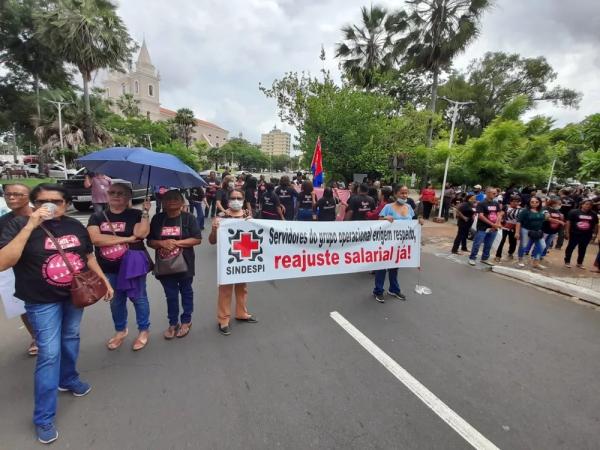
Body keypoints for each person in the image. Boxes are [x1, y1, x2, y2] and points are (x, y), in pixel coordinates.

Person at [0, 183, 113, 445]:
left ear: (66, 204)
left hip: (73, 296)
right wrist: (30, 225)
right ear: (34, 203)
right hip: (41, 302)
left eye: (56, 201)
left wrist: (104, 281)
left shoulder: (74, 226)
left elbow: (87, 256)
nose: (48, 206)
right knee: (49, 354)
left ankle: (69, 378)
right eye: (41, 201)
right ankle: (43, 418)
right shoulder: (19, 226)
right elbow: (4, 261)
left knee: (71, 338)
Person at [87, 183, 152, 351]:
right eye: (112, 192)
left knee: (139, 298)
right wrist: (126, 239)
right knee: (116, 301)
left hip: (133, 265)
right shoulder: (97, 217)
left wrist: (146, 211)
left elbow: (141, 234)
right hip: (108, 267)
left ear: (129, 197)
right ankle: (120, 330)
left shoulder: (136, 214)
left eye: (121, 193)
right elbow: (95, 239)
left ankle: (144, 330)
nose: (116, 195)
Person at [148, 190, 202, 339]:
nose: (171, 201)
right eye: (167, 198)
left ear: (181, 202)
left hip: (185, 263)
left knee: (186, 291)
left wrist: (176, 243)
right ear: (163, 202)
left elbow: (197, 239)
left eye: (175, 198)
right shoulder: (158, 219)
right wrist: (161, 243)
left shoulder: (189, 218)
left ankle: (186, 320)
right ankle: (173, 323)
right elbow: (150, 242)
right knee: (170, 295)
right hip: (164, 265)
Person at [209, 189, 258, 336]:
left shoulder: (248, 216)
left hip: (244, 258)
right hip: (227, 259)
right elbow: (212, 241)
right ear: (228, 200)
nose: (236, 200)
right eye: (233, 197)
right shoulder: (221, 217)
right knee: (225, 290)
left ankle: (242, 313)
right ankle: (223, 320)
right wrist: (214, 230)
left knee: (242, 288)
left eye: (239, 197)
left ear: (243, 199)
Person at [0, 183, 37, 355]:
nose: (12, 198)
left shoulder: (40, 214)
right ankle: (35, 337)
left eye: (17, 194)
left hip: (41, 267)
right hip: (13, 270)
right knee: (20, 305)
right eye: (8, 195)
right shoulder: (4, 221)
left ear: (28, 196)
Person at [373, 185, 415, 303]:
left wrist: (420, 221)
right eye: (402, 193)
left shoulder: (409, 207)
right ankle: (378, 291)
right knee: (382, 267)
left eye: (406, 193)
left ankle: (394, 289)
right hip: (386, 244)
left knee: (394, 267)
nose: (404, 195)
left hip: (401, 244)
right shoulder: (388, 207)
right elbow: (378, 220)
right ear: (396, 194)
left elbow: (413, 222)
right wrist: (385, 218)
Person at [468, 187, 503, 266]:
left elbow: (499, 214)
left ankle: (485, 258)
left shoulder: (496, 203)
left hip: (493, 228)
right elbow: (480, 216)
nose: (495, 194)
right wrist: (492, 224)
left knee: (489, 244)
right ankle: (472, 258)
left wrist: (498, 223)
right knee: (477, 243)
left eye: (496, 193)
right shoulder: (481, 203)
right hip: (483, 227)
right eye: (493, 193)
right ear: (487, 193)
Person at [564, 199, 598, 269]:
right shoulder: (574, 212)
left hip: (587, 234)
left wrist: (594, 234)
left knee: (583, 249)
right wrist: (567, 232)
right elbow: (568, 222)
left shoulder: (593, 214)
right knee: (570, 247)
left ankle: (579, 263)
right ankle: (567, 261)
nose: (588, 206)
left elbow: (596, 224)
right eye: (586, 204)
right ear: (582, 204)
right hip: (574, 233)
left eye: (590, 205)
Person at [515, 197, 547, 269]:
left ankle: (536, 262)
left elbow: (545, 219)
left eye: (536, 202)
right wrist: (517, 232)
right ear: (529, 202)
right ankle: (520, 260)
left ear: (539, 203)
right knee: (524, 245)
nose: (534, 203)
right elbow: (519, 221)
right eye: (532, 202)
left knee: (542, 245)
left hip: (537, 231)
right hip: (526, 230)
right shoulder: (525, 211)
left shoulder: (542, 210)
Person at [494, 196, 521, 262]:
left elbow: (519, 221)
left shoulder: (521, 210)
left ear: (519, 202)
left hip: (514, 228)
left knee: (513, 242)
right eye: (513, 201)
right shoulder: (506, 207)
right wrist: (499, 223)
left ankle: (510, 253)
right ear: (510, 201)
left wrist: (518, 231)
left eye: (517, 202)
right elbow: (500, 215)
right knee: (501, 241)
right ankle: (498, 255)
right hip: (504, 227)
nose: (515, 203)